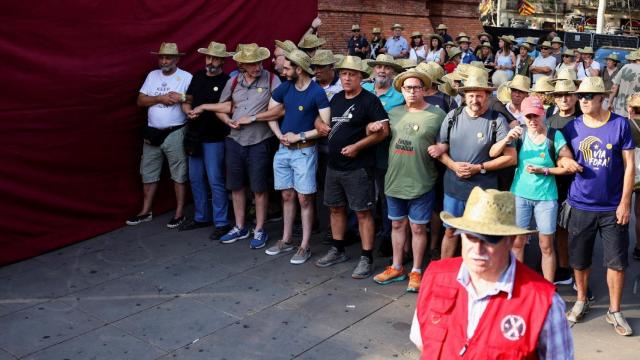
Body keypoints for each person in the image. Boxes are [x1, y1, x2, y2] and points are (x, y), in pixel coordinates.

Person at [410, 187, 574, 358]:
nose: (478, 249)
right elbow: (422, 342)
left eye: (490, 240)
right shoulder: (435, 277)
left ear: (511, 241)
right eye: (471, 237)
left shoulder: (543, 302)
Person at [562, 77, 634, 337]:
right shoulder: (572, 127)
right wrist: (565, 159)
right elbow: (561, 152)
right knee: (579, 259)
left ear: (602, 98)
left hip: (613, 206)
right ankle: (582, 299)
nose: (583, 100)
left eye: (589, 96)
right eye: (580, 96)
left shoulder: (620, 125)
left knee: (617, 261)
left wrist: (625, 202)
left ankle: (614, 310)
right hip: (580, 204)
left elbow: (629, 167)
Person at [192, 44, 281, 248]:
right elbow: (225, 107)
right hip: (234, 140)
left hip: (259, 140)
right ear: (242, 64)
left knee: (259, 187)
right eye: (251, 64)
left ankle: (259, 228)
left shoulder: (272, 80)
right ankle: (240, 226)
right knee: (236, 186)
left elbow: (279, 110)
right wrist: (226, 120)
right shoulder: (233, 81)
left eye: (258, 62)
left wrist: (253, 118)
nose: (256, 67)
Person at [314, 56, 390, 279]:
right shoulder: (336, 98)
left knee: (362, 212)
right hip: (334, 165)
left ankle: (366, 256)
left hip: (359, 167)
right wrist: (318, 125)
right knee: (336, 208)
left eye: (352, 74)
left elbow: (384, 132)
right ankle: (338, 249)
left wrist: (358, 146)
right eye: (344, 74)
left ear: (361, 77)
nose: (347, 78)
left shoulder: (369, 101)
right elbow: (320, 120)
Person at [428, 71, 517, 259]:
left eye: (479, 95)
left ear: (487, 96)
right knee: (451, 232)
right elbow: (440, 149)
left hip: (483, 191)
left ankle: (480, 274)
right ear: (464, 96)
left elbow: (510, 158)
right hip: (454, 187)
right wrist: (453, 166)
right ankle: (446, 273)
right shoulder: (453, 116)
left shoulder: (497, 121)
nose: (474, 100)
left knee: (481, 236)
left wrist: (479, 167)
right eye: (470, 95)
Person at [372, 69, 446, 292]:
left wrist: (443, 146)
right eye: (407, 88)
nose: (412, 92)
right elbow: (377, 132)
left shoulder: (437, 114)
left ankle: (416, 270)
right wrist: (370, 127)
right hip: (395, 178)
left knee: (418, 228)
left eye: (416, 87)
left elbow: (449, 140)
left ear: (423, 89)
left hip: (421, 179)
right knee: (396, 223)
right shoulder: (393, 113)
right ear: (401, 91)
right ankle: (396, 266)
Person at [491, 96, 578, 282]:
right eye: (528, 116)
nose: (532, 120)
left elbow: (566, 162)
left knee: (546, 245)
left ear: (543, 114)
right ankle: (517, 284)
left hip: (546, 197)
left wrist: (546, 169)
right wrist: (507, 137)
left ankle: (547, 286)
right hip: (520, 195)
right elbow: (493, 153)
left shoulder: (554, 135)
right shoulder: (519, 134)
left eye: (536, 115)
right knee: (517, 243)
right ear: (522, 116)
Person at [257, 50, 331, 264]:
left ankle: (305, 245)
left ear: (299, 69)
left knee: (304, 198)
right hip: (284, 150)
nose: (283, 70)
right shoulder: (285, 87)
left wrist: (298, 136)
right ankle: (286, 239)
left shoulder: (317, 92)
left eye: (288, 67)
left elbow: (325, 127)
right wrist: (280, 135)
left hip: (305, 151)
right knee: (287, 196)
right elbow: (270, 113)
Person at [127, 42, 192, 228]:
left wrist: (180, 97)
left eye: (168, 57)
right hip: (152, 131)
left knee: (179, 174)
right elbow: (140, 100)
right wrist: (160, 98)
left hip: (175, 130)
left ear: (177, 59)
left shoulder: (186, 77)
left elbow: (194, 97)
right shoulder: (152, 76)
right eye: (162, 57)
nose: (164, 61)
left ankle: (179, 213)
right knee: (148, 173)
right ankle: (145, 210)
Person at [179, 42, 232, 237]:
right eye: (209, 57)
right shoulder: (198, 76)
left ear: (222, 61)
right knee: (195, 178)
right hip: (195, 134)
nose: (210, 61)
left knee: (215, 179)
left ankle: (221, 222)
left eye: (215, 58)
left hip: (215, 137)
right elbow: (188, 98)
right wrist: (188, 111)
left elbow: (228, 106)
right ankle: (201, 217)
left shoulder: (227, 81)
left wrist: (204, 108)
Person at [363, 54, 405, 258]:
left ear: (393, 72)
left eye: (386, 68)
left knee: (387, 197)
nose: (381, 70)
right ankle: (363, 233)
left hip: (386, 154)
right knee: (365, 195)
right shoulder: (365, 90)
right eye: (378, 66)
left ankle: (388, 237)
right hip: (362, 152)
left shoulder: (399, 96)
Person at [547, 79, 582, 285]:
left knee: (579, 232)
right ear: (554, 98)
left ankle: (579, 272)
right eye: (559, 95)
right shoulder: (549, 121)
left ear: (575, 96)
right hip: (554, 182)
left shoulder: (583, 120)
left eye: (568, 94)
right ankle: (562, 267)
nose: (564, 98)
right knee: (558, 228)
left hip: (579, 183)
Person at [626, 93, 640, 261]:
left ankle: (620, 246)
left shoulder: (626, 125)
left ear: (630, 108)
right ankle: (639, 246)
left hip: (628, 171)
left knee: (624, 209)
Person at [608, 49, 640, 117]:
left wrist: (610, 102)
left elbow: (615, 86)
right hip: (636, 111)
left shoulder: (625, 67)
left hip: (621, 109)